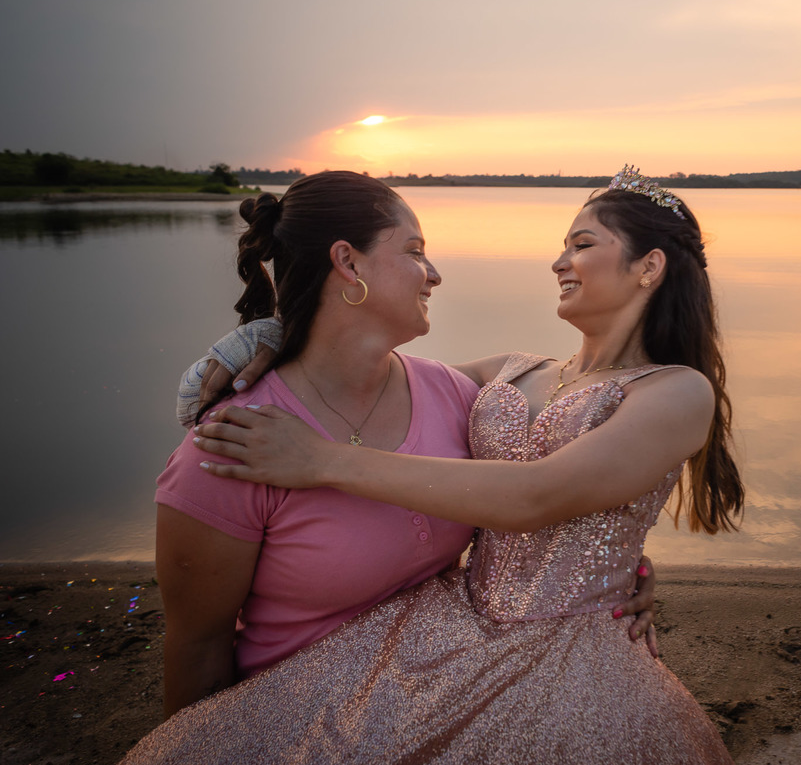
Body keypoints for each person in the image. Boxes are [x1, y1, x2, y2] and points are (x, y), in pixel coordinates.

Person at [125, 166, 742, 764]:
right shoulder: (507, 374)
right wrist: (258, 337)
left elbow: (538, 495)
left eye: (581, 245)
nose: (557, 262)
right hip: (437, 638)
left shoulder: (675, 390)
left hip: (538, 641)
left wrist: (609, 554)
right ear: (347, 263)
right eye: (416, 251)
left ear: (650, 266)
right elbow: (355, 363)